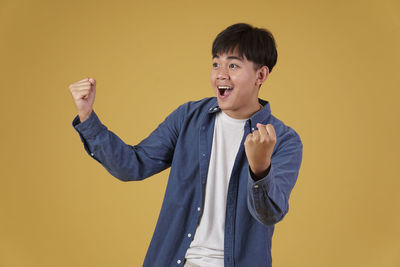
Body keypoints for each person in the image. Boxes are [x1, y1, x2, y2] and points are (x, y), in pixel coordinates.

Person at [69, 23, 303, 267]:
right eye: (216, 64)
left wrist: (260, 168)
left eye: (233, 65)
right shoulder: (188, 118)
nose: (221, 74)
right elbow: (132, 166)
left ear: (261, 75)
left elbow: (269, 214)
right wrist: (87, 117)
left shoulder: (284, 140)